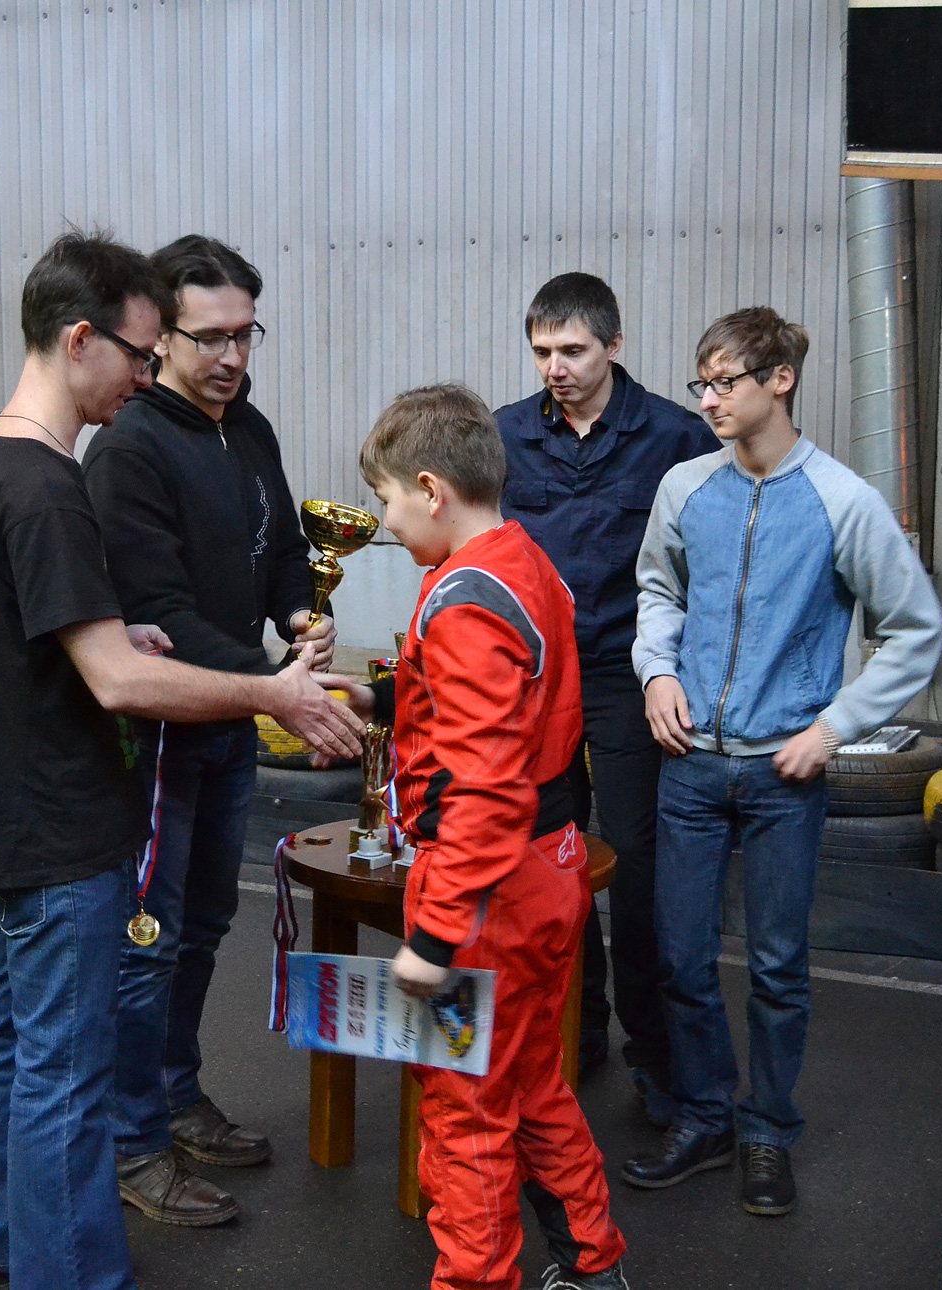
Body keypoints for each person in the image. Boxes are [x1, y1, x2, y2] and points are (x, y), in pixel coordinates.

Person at [0, 230, 361, 1290]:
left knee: (18, 1045)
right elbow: (116, 682)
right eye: (141, 350)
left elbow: (67, 644)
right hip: (63, 826)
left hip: (13, 813)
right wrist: (273, 693)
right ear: (81, 339)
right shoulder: (49, 487)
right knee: (66, 1079)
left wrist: (131, 636)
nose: (146, 372)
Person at [624, 307, 942, 1217]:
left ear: (780, 380)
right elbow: (657, 588)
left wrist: (833, 727)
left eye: (725, 381)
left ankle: (765, 1128)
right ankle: (704, 1118)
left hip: (782, 773)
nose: (708, 399)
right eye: (701, 383)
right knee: (679, 959)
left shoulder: (842, 500)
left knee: (774, 965)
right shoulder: (686, 487)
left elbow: (914, 630)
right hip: (689, 763)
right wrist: (656, 673)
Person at [328, 384, 631, 1290]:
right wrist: (386, 699)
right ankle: (591, 1264)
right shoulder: (519, 561)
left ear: (430, 490)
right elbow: (508, 708)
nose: (384, 521)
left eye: (385, 500)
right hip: (545, 867)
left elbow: (486, 786)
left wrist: (432, 937)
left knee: (465, 1115)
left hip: (489, 895)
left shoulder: (462, 600)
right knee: (530, 1084)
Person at [82, 234, 332, 1225]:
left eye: (246, 334)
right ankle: (131, 1144)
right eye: (210, 338)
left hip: (234, 720)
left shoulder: (248, 426)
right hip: (160, 738)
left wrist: (300, 614)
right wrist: (277, 685)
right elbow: (157, 614)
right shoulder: (130, 448)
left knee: (203, 925)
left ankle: (173, 1094)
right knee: (147, 940)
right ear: (161, 337)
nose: (232, 357)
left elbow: (284, 552)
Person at [495, 272, 714, 1110]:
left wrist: (679, 674)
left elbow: (704, 568)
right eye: (541, 352)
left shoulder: (676, 437)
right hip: (537, 677)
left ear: (614, 345)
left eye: (573, 350)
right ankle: (572, 1033)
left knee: (633, 860)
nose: (555, 368)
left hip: (631, 676)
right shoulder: (505, 435)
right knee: (553, 859)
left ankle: (654, 1056)